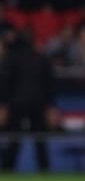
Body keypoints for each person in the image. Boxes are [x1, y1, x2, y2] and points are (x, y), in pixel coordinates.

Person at [0, 29, 61, 172]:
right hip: (38, 104)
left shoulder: (10, 58)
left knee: (14, 140)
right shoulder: (42, 58)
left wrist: (3, 105)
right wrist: (51, 106)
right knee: (40, 141)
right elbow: (50, 85)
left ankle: (8, 172)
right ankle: (44, 171)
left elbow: (4, 83)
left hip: (17, 104)